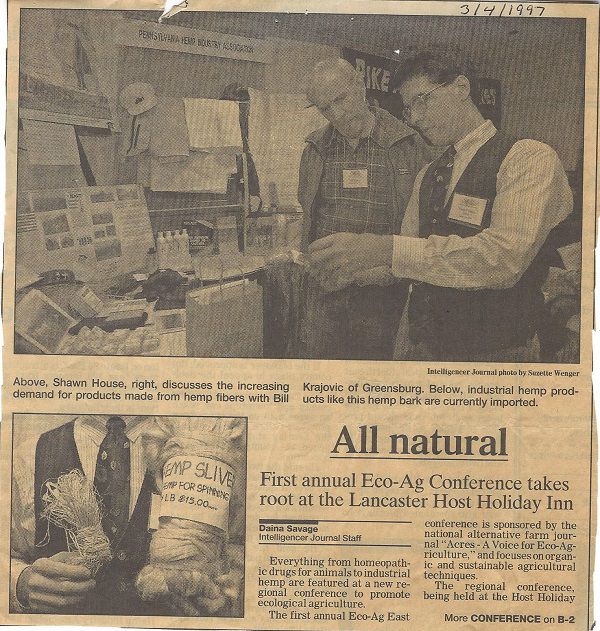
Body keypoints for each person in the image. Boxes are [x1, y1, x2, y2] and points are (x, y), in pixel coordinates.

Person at [307, 52, 573, 362]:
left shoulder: (527, 157)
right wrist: (352, 271)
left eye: (422, 100)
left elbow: (503, 260)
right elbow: (411, 262)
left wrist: (383, 248)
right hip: (426, 347)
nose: (415, 118)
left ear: (461, 88)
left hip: (499, 352)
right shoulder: (428, 173)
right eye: (408, 109)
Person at [10, 415, 244, 615]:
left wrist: (227, 591)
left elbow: (240, 549)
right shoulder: (28, 456)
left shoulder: (209, 448)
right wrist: (19, 582)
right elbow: (7, 554)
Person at [298, 58, 431, 359]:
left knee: (375, 380)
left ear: (360, 85)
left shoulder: (409, 147)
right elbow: (309, 217)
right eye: (325, 108)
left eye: (340, 100)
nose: (336, 114)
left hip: (385, 293)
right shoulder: (314, 150)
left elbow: (424, 230)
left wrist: (382, 274)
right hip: (326, 292)